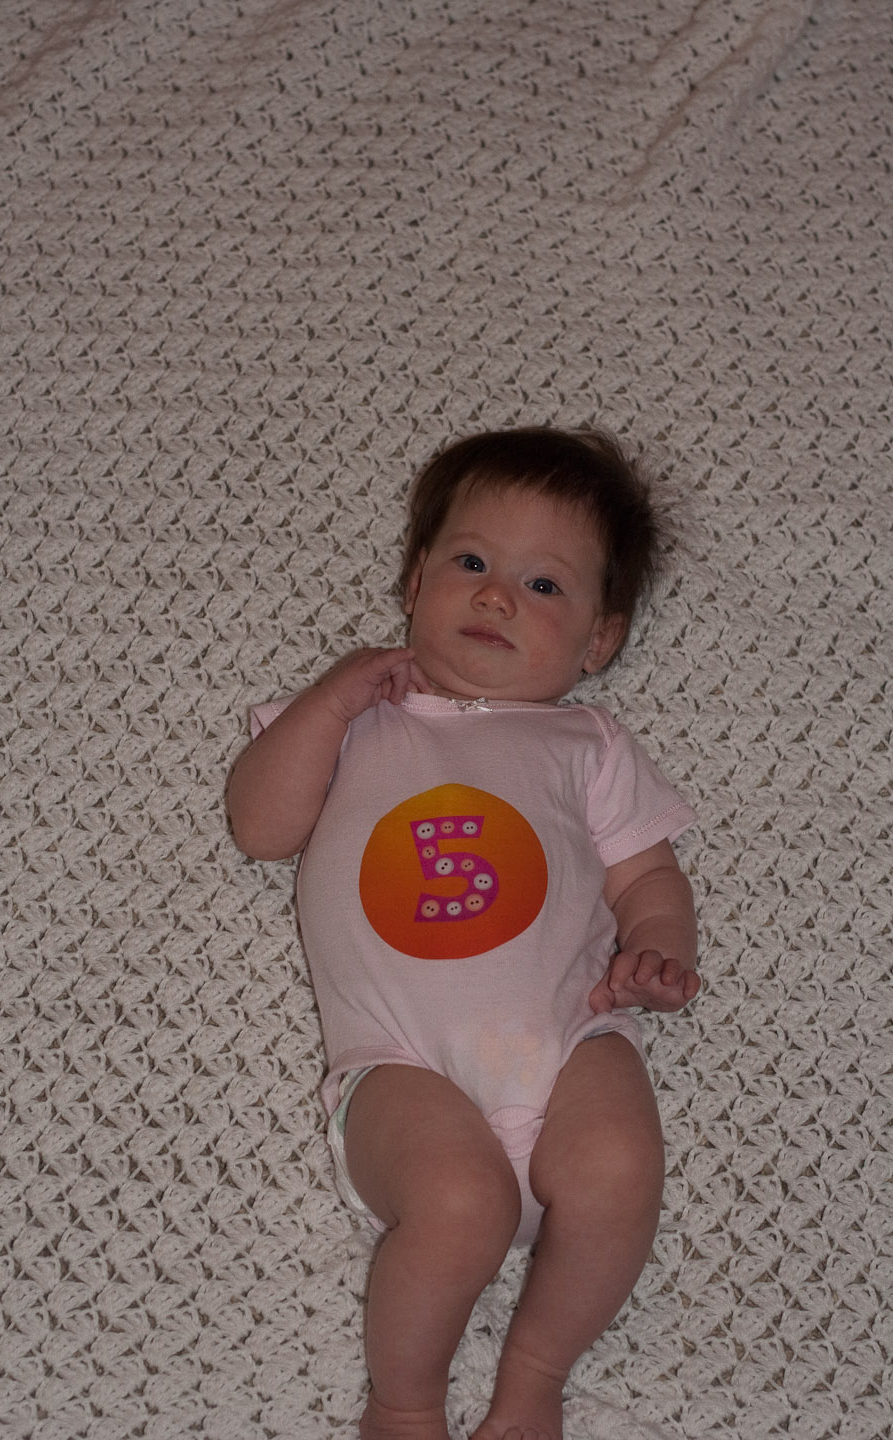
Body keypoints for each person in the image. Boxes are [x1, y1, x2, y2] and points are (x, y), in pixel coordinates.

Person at [229, 427, 699, 1440]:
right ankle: (404, 1402)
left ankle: (533, 1376)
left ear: (598, 641)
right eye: (473, 563)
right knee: (458, 1203)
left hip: (571, 1044)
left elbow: (649, 874)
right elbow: (260, 828)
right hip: (403, 1067)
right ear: (414, 582)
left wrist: (659, 946)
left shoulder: (588, 743)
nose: (497, 599)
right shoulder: (360, 717)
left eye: (543, 585)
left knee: (621, 1168)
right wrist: (328, 700)